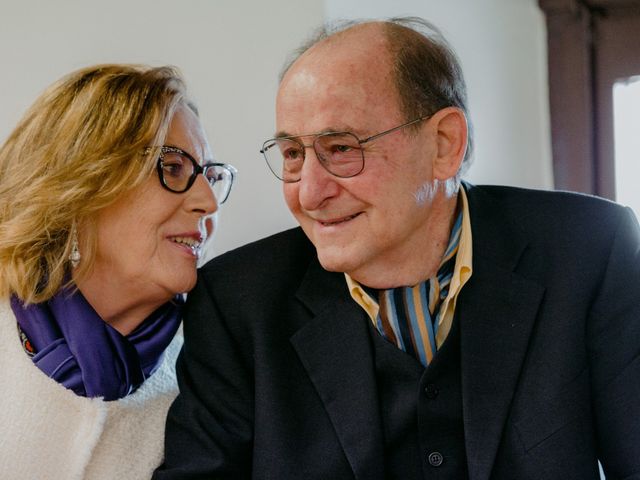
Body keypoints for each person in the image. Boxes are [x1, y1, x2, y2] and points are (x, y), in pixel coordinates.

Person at [155, 17, 640, 479]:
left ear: (444, 144)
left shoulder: (592, 251)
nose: (308, 193)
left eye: (341, 148)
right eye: (293, 155)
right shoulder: (237, 302)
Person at [0, 64, 236, 479]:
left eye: (210, 176)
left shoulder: (209, 385)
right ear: (80, 184)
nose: (208, 202)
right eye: (174, 167)